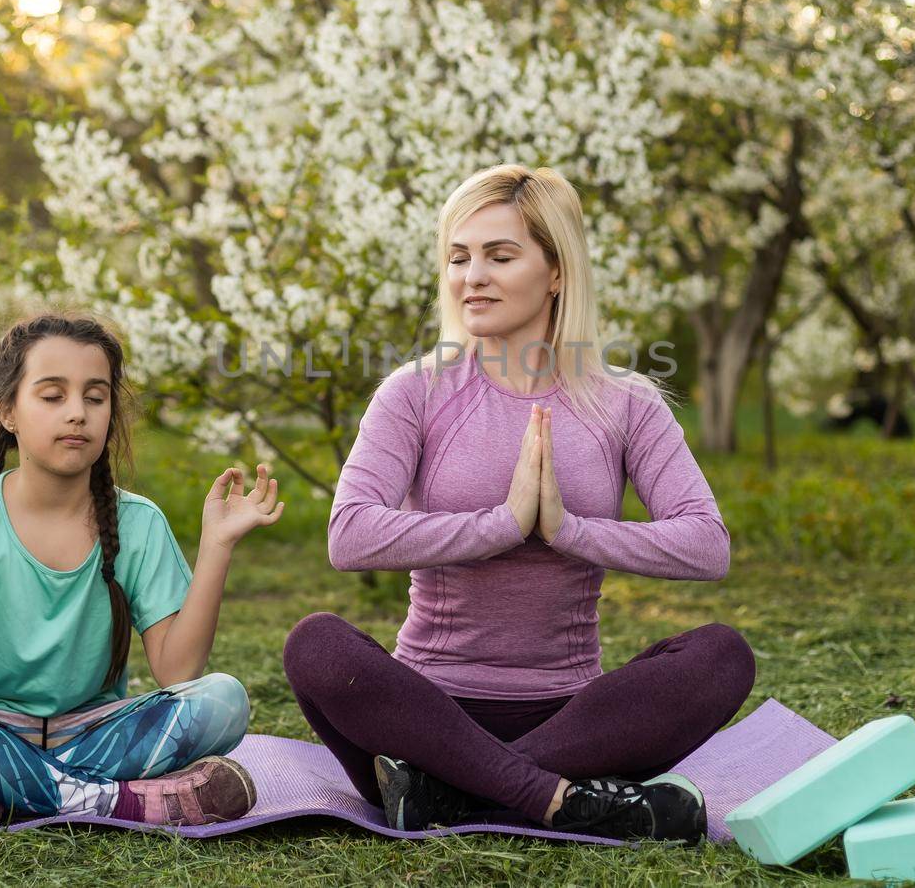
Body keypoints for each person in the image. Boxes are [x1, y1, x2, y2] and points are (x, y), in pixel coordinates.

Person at [282, 164, 756, 843]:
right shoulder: (414, 392)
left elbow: (708, 545)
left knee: (722, 655)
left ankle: (455, 798)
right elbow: (350, 536)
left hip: (577, 721)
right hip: (425, 718)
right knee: (316, 645)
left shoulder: (624, 403)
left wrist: (569, 530)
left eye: (500, 256)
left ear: (557, 270)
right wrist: (503, 526)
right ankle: (558, 800)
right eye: (459, 256)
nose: (472, 276)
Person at [0, 311, 285, 842]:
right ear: (8, 411)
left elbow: (179, 672)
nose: (77, 413)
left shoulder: (139, 522)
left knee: (224, 701)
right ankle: (112, 801)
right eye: (53, 396)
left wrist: (217, 546)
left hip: (96, 731)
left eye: (95, 397)